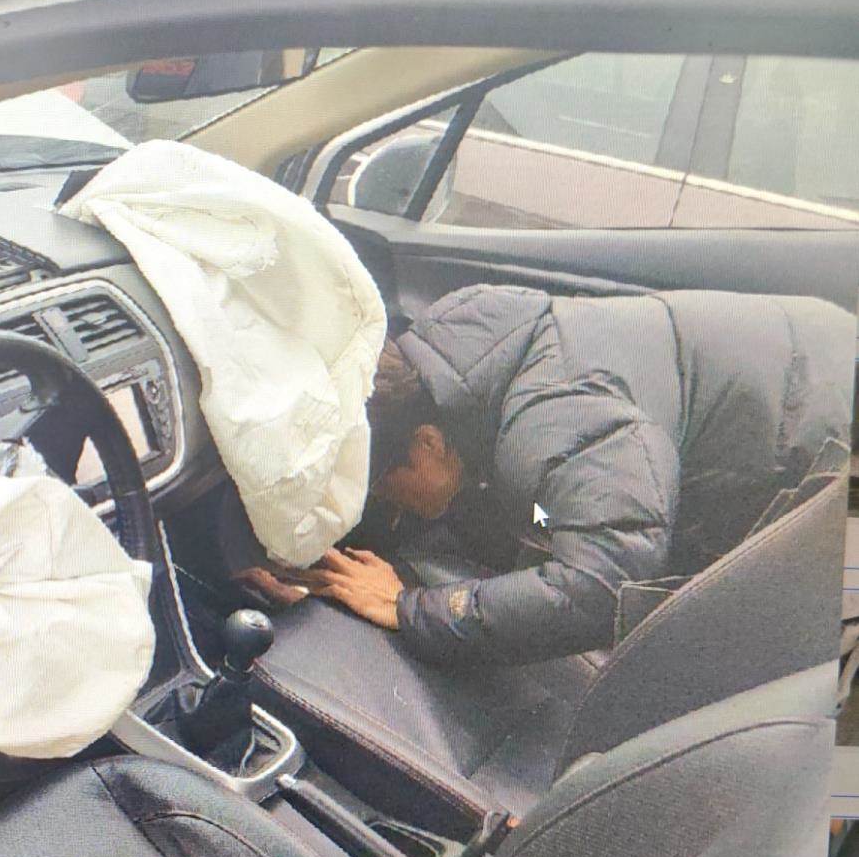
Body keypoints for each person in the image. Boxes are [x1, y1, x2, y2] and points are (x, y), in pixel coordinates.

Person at [236, 283, 851, 666]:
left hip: (826, 428)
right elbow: (534, 510)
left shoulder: (557, 423)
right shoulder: (454, 355)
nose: (390, 508)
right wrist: (309, 556)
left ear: (425, 442)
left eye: (383, 493)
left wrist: (412, 608)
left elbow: (603, 586)